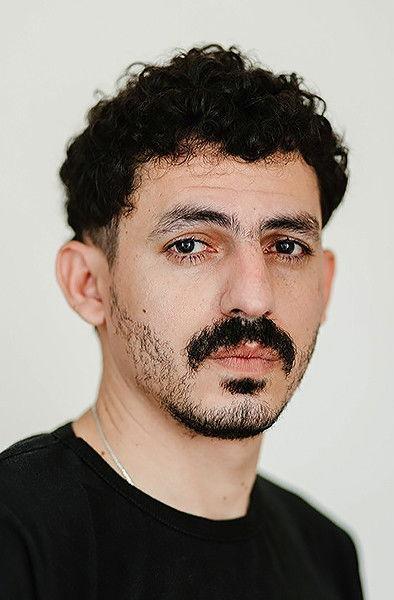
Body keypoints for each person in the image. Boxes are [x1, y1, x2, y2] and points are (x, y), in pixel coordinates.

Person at [0, 43, 364, 599]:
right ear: (89, 284)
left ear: (325, 284)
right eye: (190, 245)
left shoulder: (325, 553)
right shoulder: (16, 535)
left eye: (287, 246)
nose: (254, 297)